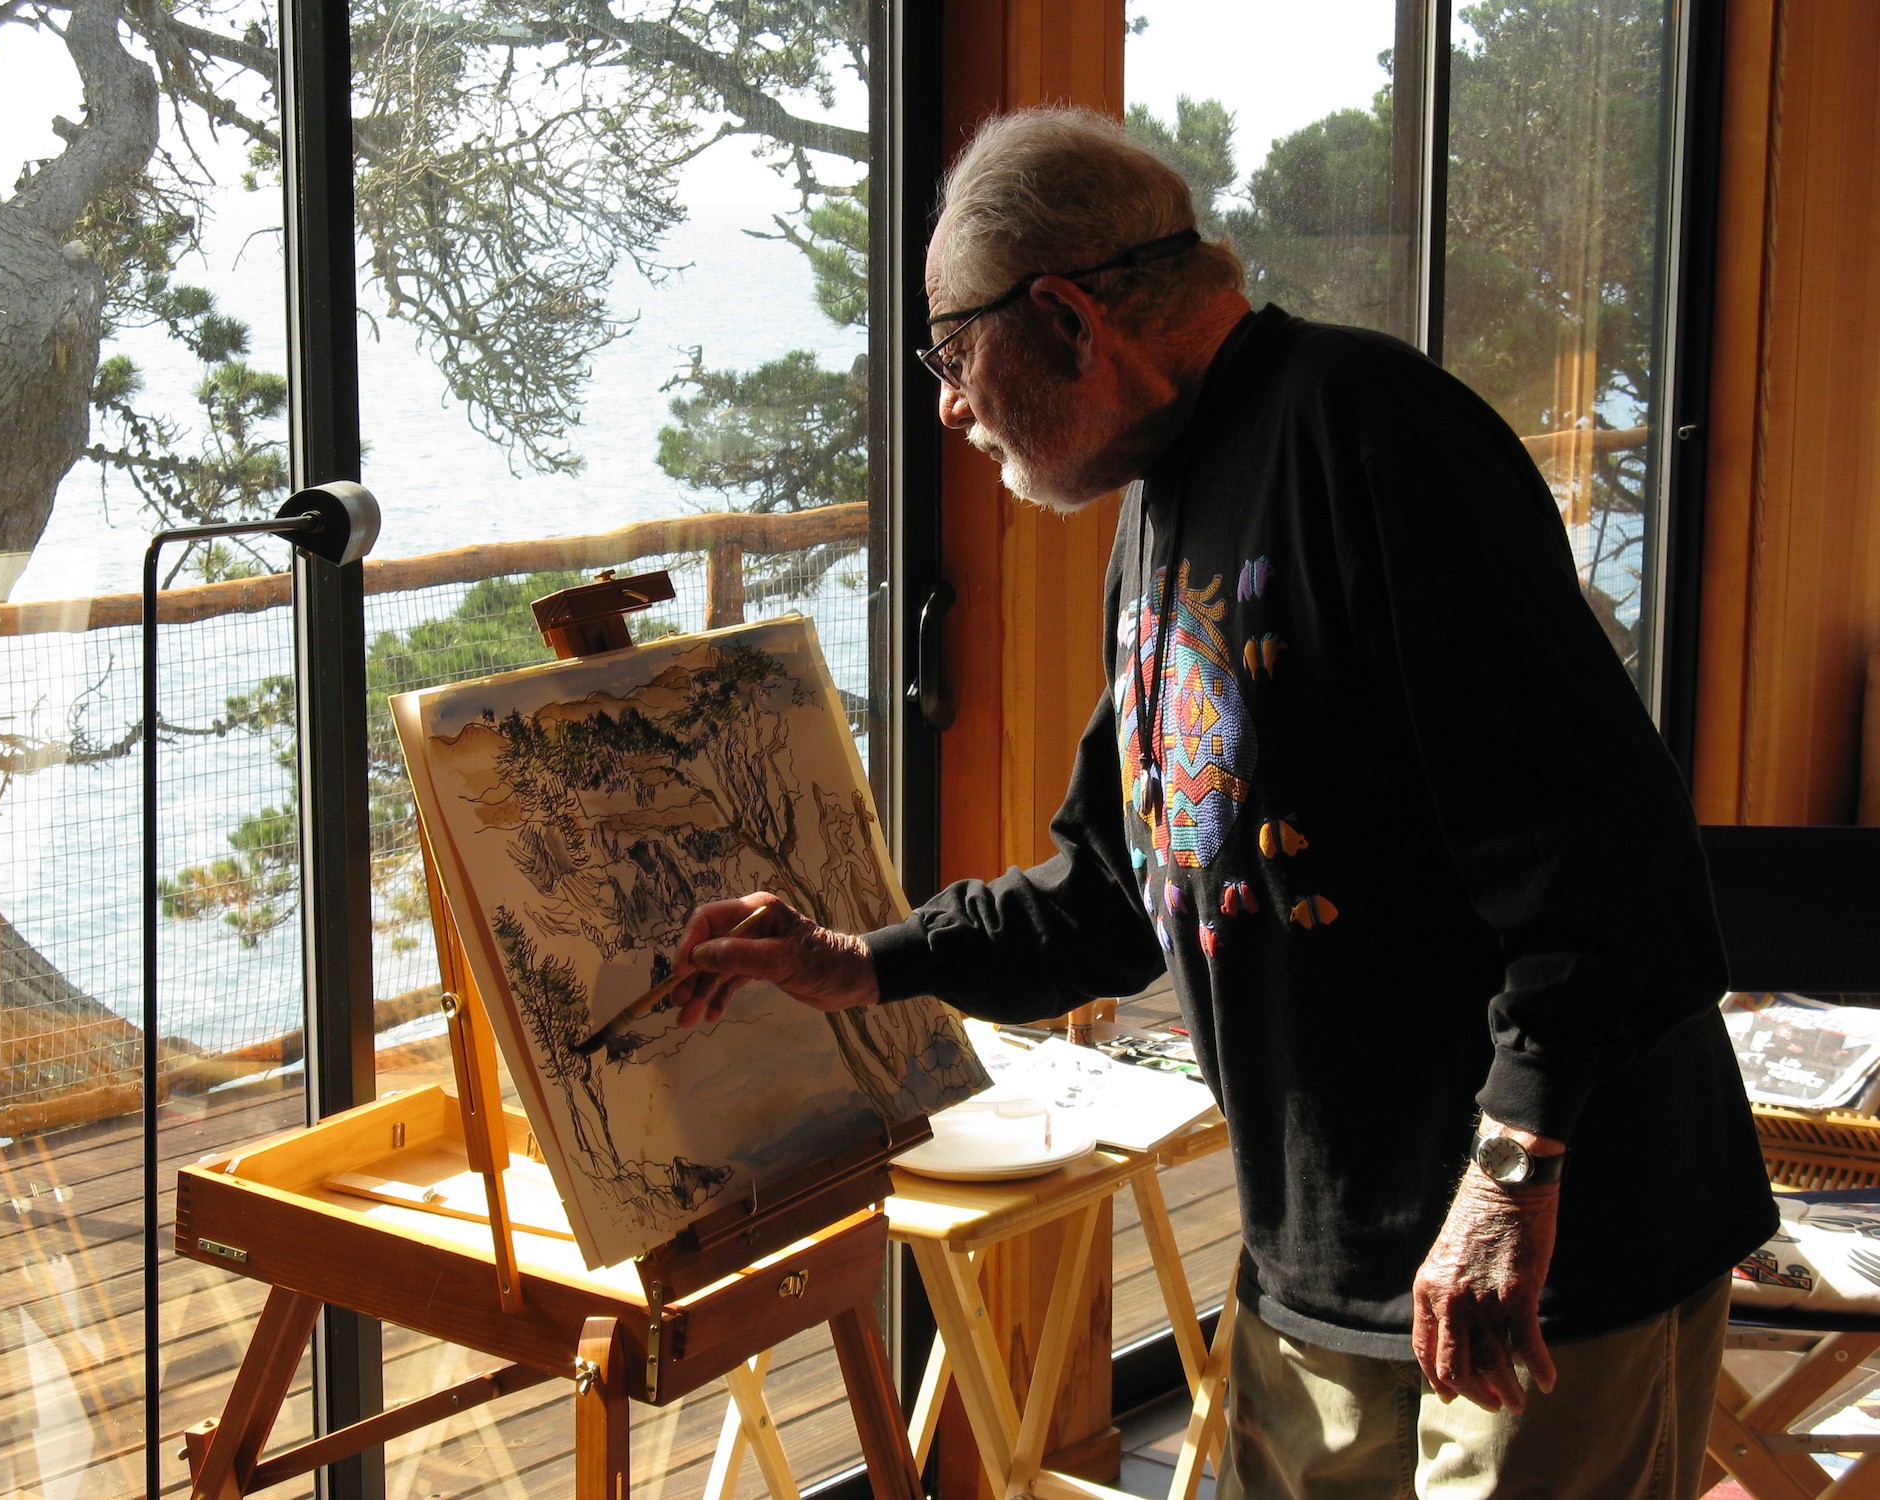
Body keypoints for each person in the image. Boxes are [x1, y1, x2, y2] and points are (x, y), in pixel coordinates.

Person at [667, 107, 1775, 1497]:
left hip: (1546, 1257)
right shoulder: (1161, 503)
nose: (948, 406)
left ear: (1066, 318)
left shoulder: (1371, 434)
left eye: (953, 355)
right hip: (1324, 1266)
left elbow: (1610, 857)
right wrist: (858, 962)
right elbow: (1113, 889)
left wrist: (1510, 1174)